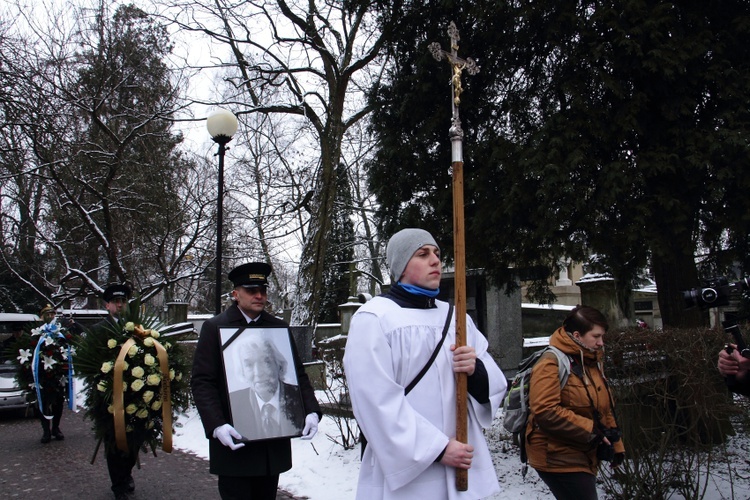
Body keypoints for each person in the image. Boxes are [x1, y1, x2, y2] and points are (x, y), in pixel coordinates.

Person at [343, 228, 508, 499]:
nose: (435, 260)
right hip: (408, 471)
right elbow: (374, 401)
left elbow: (494, 382)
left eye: (437, 253)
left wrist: (474, 369)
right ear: (401, 265)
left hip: (462, 467)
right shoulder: (375, 319)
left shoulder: (456, 318)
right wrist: (438, 449)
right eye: (422, 254)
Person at [191, 262, 322, 500]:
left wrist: (311, 410)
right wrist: (216, 425)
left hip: (271, 447)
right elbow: (202, 382)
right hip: (235, 443)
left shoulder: (278, 327)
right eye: (251, 290)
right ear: (236, 294)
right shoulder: (215, 328)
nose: (259, 296)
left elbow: (296, 374)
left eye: (262, 289)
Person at [526, 305, 625, 500]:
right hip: (556, 455)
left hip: (583, 451)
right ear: (577, 335)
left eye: (602, 337)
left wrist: (616, 444)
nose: (600, 343)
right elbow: (546, 411)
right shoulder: (551, 362)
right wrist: (592, 433)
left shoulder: (591, 361)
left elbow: (603, 409)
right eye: (596, 337)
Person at [89, 283, 137, 499]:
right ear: (107, 305)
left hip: (135, 394)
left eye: (123, 301)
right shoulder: (98, 330)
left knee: (134, 439)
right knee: (113, 441)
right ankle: (118, 485)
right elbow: (89, 363)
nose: (120, 305)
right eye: (116, 301)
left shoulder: (137, 327)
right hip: (107, 395)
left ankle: (126, 474)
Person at [227, 333, 306, 440]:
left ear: (279, 365)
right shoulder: (233, 402)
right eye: (249, 365)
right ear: (242, 371)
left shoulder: (299, 397)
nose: (258, 373)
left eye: (266, 362)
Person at [35, 304, 68, 444]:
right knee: (43, 403)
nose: (51, 317)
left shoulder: (60, 334)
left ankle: (55, 427)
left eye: (52, 314)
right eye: (47, 314)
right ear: (42, 317)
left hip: (57, 375)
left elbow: (67, 351)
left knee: (58, 403)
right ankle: (46, 431)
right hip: (42, 376)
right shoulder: (37, 333)